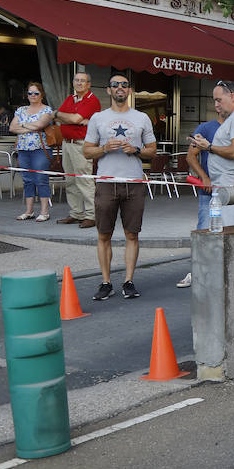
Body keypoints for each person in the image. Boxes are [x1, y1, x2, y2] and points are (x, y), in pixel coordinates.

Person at [83, 72, 157, 301]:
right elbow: (86, 151)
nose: (120, 88)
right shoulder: (98, 118)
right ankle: (106, 282)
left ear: (130, 91)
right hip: (106, 182)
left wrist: (135, 150)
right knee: (104, 234)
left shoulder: (142, 118)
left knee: (132, 234)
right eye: (115, 85)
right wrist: (104, 148)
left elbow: (152, 151)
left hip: (133, 182)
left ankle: (128, 281)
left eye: (124, 85)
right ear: (108, 90)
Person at [189, 81, 234, 228]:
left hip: (230, 186)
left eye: (219, 100)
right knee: (220, 233)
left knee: (229, 233)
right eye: (214, 100)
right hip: (224, 186)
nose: (216, 105)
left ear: (232, 96)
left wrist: (209, 147)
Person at [177, 107, 224, 289]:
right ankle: (197, 272)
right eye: (216, 101)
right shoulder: (205, 128)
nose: (219, 105)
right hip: (209, 193)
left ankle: (220, 272)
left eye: (221, 100)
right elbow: (191, 156)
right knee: (204, 232)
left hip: (233, 193)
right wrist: (204, 176)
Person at [54, 72, 102, 228]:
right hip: (67, 144)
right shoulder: (70, 98)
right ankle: (76, 213)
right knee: (70, 180)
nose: (79, 83)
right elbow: (58, 118)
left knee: (84, 179)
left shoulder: (92, 100)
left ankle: (91, 215)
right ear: (73, 83)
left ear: (88, 84)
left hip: (81, 144)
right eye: (77, 80)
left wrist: (63, 116)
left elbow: (73, 119)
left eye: (83, 81)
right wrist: (62, 116)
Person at [8, 82, 53, 222]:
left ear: (41, 95)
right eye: (30, 93)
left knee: (41, 179)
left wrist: (21, 125)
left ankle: (44, 211)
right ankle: (29, 211)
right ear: (26, 95)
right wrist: (30, 127)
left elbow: (40, 125)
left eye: (36, 93)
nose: (33, 96)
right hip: (23, 149)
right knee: (27, 180)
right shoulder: (21, 110)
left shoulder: (47, 110)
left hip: (40, 149)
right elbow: (11, 128)